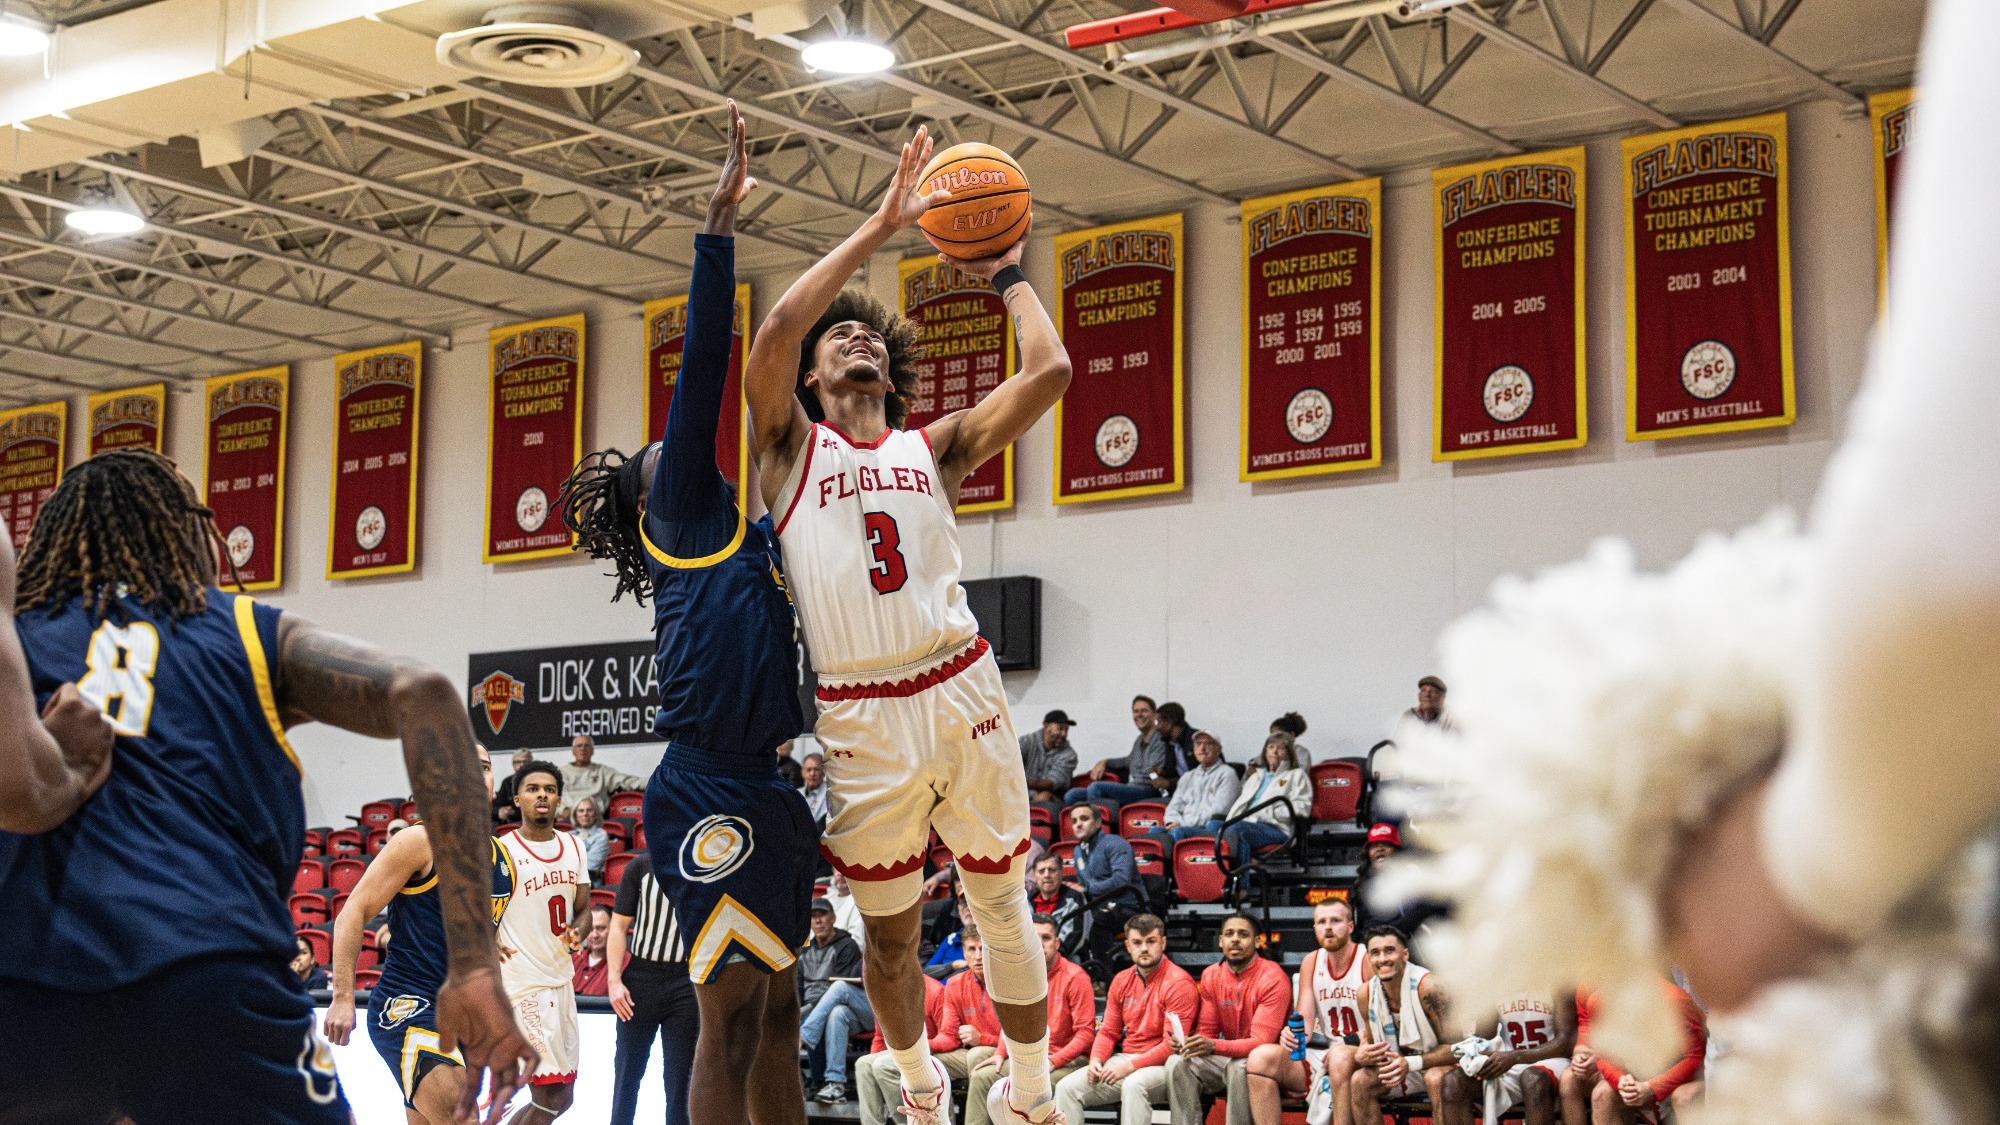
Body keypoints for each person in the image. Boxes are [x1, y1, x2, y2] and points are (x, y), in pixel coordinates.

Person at [0, 448, 531, 1125]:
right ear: (186, 529)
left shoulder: (14, 643)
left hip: (27, 987)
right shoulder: (245, 630)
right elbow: (423, 692)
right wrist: (474, 965)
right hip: (209, 979)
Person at [743, 121, 1074, 1125]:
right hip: (858, 714)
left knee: (998, 902)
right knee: (887, 937)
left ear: (891, 371)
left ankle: (1029, 1094)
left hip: (957, 679)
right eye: (837, 336)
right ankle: (922, 1085)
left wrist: (1006, 273)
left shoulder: (935, 447)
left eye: (869, 337)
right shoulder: (786, 450)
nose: (854, 338)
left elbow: (1051, 372)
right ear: (810, 378)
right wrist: (879, 224)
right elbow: (766, 340)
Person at [555, 101, 817, 1125]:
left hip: (769, 777)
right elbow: (703, 370)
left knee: (783, 1011)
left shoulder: (751, 543)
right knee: (732, 1015)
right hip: (704, 779)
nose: (668, 452)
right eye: (655, 459)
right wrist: (715, 234)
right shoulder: (684, 522)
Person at [324, 743, 520, 1125]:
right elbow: (353, 911)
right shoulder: (420, 841)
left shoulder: (505, 861)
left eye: (483, 767)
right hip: (408, 1004)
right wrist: (343, 997)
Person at [497, 761, 593, 1123]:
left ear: (558, 799)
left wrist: (578, 931)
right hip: (522, 986)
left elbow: (584, 908)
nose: (542, 795)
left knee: (562, 1096)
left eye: (549, 789)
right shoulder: (502, 851)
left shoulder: (574, 846)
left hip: (561, 981)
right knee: (549, 1092)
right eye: (533, 788)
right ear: (518, 798)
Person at [1053, 914, 1198, 1125]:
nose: (1145, 949)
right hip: (1125, 1059)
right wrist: (1096, 1060)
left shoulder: (1180, 983)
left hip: (1165, 1066)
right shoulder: (1121, 980)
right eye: (1138, 943)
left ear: (1163, 943)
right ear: (1128, 946)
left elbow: (1170, 1047)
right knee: (1066, 1088)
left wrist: (1128, 1067)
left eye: (1151, 941)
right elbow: (1108, 1031)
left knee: (1134, 1085)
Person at [1243, 897, 1365, 1125]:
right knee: (1260, 1058)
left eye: (1336, 921)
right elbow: (1305, 1025)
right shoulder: (1311, 961)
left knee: (1340, 1058)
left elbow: (1379, 1024)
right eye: (1322, 922)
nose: (1328, 927)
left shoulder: (1366, 958)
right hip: (1328, 1051)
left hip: (1362, 1049)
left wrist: (1345, 1045)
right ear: (1314, 928)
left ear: (1350, 927)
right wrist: (1291, 1034)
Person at [968, 914, 1097, 1125]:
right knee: (983, 1076)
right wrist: (1001, 1052)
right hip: (1030, 1059)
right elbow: (1011, 1021)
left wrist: (1053, 1062)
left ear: (1057, 943)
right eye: (1034, 938)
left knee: (1030, 1090)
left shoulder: (1076, 977)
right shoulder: (1022, 974)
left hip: (1066, 1060)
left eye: (1046, 938)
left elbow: (1086, 1033)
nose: (1040, 944)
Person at [1163, 913, 1288, 1125]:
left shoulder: (1273, 977)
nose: (1235, 940)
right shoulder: (1211, 975)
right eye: (1229, 934)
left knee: (1238, 1068)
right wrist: (1190, 1044)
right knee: (1177, 1062)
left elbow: (1261, 1042)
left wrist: (1212, 1045)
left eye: (1243, 934)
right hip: (1228, 1054)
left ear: (1258, 942)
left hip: (1269, 1061)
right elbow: (1207, 1030)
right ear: (1221, 941)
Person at [606, 851, 698, 1125]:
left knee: (680, 1081)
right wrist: (614, 980)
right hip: (641, 979)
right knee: (626, 1075)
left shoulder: (706, 866)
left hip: (687, 980)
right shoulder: (641, 866)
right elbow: (618, 926)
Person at [1560, 984, 1704, 1125]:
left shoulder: (1672, 998)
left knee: (1684, 1097)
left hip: (1680, 1071)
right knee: (1602, 1094)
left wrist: (1652, 1087)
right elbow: (1602, 1054)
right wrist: (1622, 1081)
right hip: (1638, 1070)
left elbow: (1695, 1056)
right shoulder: (1598, 1000)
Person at [1350, 926, 1454, 1120]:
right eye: (1375, 953)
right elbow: (1376, 1049)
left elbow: (1456, 1049)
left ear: (1405, 954)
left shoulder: (1429, 987)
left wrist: (1411, 1063)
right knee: (1360, 1081)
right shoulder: (1365, 994)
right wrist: (1363, 1055)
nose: (1382, 959)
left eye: (1390, 950)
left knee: (1436, 1079)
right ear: (1368, 959)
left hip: (1441, 1065)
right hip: (1402, 1066)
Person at [1437, 992, 1574, 1125]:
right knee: (1454, 1082)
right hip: (1510, 1061)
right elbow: (1484, 1038)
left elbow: (1564, 1043)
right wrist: (1481, 1058)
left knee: (1533, 1079)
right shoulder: (1499, 983)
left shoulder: (1557, 984)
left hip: (1551, 1059)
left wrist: (1516, 1056)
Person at [800, 895, 871, 1101]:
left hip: (860, 1006)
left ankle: (805, 1035)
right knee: (835, 1014)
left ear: (833, 918)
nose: (818, 921)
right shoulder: (804, 949)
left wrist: (810, 1011)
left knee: (839, 989)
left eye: (822, 915)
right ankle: (834, 1083)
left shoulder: (847, 945)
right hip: (819, 1008)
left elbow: (843, 983)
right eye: (813, 917)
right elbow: (796, 985)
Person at [857, 975, 951, 1125]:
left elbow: (948, 1037)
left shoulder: (935, 990)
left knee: (881, 1065)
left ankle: (908, 1121)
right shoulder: (882, 992)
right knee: (863, 1064)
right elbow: (880, 1037)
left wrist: (917, 1047)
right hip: (896, 1051)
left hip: (929, 1051)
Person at [1068, 803, 1142, 974]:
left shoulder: (1115, 843)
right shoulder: (1078, 851)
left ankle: (1103, 978)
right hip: (1098, 905)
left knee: (1098, 923)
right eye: (1074, 821)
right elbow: (1083, 885)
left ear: (1098, 822)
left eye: (1084, 819)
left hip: (1129, 904)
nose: (1078, 824)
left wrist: (1088, 890)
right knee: (1073, 919)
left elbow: (1122, 880)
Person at [1068, 695, 1173, 811]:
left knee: (1096, 788)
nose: (1139, 715)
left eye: (1144, 711)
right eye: (1136, 711)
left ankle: (1102, 827)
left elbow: (1153, 771)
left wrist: (1134, 777)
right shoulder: (1139, 740)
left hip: (1148, 788)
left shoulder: (1160, 738)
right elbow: (1128, 761)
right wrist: (1105, 761)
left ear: (1154, 715)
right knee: (1073, 794)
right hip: (1132, 787)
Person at [1215, 731, 1310, 859]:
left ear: (1289, 753)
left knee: (1236, 831)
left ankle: (1234, 876)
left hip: (1276, 827)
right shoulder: (1255, 776)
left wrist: (1273, 813)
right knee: (1212, 825)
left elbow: (1303, 807)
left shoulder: (1297, 775)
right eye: (1271, 747)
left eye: (1281, 748)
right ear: (1265, 752)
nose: (1275, 751)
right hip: (1246, 823)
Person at [930, 925, 1004, 1085]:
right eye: (972, 949)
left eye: (982, 949)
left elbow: (1019, 1040)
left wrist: (982, 1039)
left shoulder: (1008, 981)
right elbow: (949, 1036)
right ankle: (938, 1111)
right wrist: (922, 1045)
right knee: (928, 1064)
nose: (978, 956)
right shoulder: (955, 984)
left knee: (975, 1054)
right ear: (964, 953)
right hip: (972, 1053)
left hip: (1005, 1053)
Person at [1143, 731, 1241, 852]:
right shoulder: (1187, 776)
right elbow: (1173, 807)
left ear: (1219, 750)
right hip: (1182, 827)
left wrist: (1182, 824)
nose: (1202, 748)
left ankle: (1175, 870)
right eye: (1198, 744)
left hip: (1207, 828)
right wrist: (1172, 822)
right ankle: (1154, 871)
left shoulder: (1227, 774)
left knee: (1178, 832)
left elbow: (1220, 810)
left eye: (1208, 744)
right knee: (1154, 832)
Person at [558, 735, 645, 821]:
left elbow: (628, 781)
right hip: (568, 820)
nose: (583, 749)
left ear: (592, 751)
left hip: (596, 820)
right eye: (579, 746)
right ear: (573, 751)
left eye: (587, 746)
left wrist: (654, 782)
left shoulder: (602, 771)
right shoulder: (560, 773)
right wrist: (561, 810)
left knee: (629, 823)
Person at [1027, 854, 1086, 956]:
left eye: (1052, 870)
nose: (1047, 875)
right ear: (1035, 876)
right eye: (1041, 871)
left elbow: (1071, 942)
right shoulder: (1027, 901)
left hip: (1063, 960)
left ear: (1061, 873)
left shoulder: (1074, 900)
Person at [1020, 711, 1079, 808]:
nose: (1064, 734)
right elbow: (1007, 768)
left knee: (1044, 797)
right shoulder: (1026, 742)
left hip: (1052, 797)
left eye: (1066, 730)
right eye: (1060, 729)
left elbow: (1050, 784)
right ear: (1046, 726)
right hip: (1021, 792)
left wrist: (1019, 782)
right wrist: (1031, 793)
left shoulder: (1069, 755)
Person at [572, 905, 613, 996]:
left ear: (613, 929)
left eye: (601, 928)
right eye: (590, 929)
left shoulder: (624, 963)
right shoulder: (572, 961)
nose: (595, 935)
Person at [570, 798, 610, 883]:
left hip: (589, 883)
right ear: (575, 815)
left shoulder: (601, 835)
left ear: (595, 814)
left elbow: (590, 865)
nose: (585, 814)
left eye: (589, 810)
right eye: (581, 811)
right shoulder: (568, 835)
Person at [495, 749, 533, 825]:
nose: (521, 765)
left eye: (524, 762)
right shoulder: (507, 782)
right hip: (510, 822)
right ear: (513, 765)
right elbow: (497, 805)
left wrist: (514, 811)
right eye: (517, 762)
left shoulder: (538, 781)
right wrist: (500, 811)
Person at [800, 751, 830, 823]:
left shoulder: (830, 794)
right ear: (803, 773)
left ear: (823, 773)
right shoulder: (796, 794)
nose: (812, 774)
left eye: (816, 770)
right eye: (808, 769)